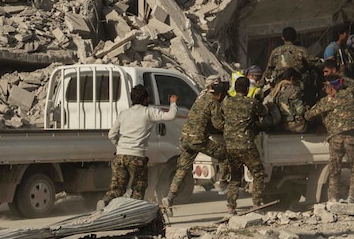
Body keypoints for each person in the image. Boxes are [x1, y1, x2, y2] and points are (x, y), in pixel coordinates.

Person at [102, 85, 178, 207]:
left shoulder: (124, 114)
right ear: (146, 99)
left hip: (120, 155)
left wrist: (119, 146)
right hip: (137, 157)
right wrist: (173, 103)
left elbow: (111, 134)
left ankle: (105, 203)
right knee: (138, 187)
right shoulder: (148, 112)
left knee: (117, 188)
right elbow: (170, 116)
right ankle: (134, 210)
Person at [162, 76, 228, 214]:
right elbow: (218, 124)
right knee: (225, 154)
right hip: (198, 139)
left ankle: (169, 197)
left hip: (185, 137)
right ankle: (223, 183)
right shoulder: (214, 102)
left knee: (182, 170)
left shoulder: (200, 98)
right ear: (220, 94)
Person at [303, 72, 354, 203]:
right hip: (352, 138)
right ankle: (351, 197)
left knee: (334, 169)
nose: (325, 90)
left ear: (332, 88)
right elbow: (353, 83)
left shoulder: (328, 101)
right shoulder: (351, 94)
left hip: (335, 139)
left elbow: (308, 115)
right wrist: (340, 76)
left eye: (327, 87)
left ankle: (333, 198)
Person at [222, 76, 268, 215]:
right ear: (247, 89)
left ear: (235, 88)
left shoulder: (227, 102)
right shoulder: (251, 102)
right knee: (258, 174)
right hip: (246, 145)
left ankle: (231, 207)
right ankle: (256, 204)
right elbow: (264, 111)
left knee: (235, 178)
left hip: (230, 146)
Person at [266, 67, 308, 133]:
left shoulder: (275, 90)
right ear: (292, 79)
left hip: (279, 125)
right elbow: (300, 110)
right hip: (294, 125)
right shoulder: (295, 89)